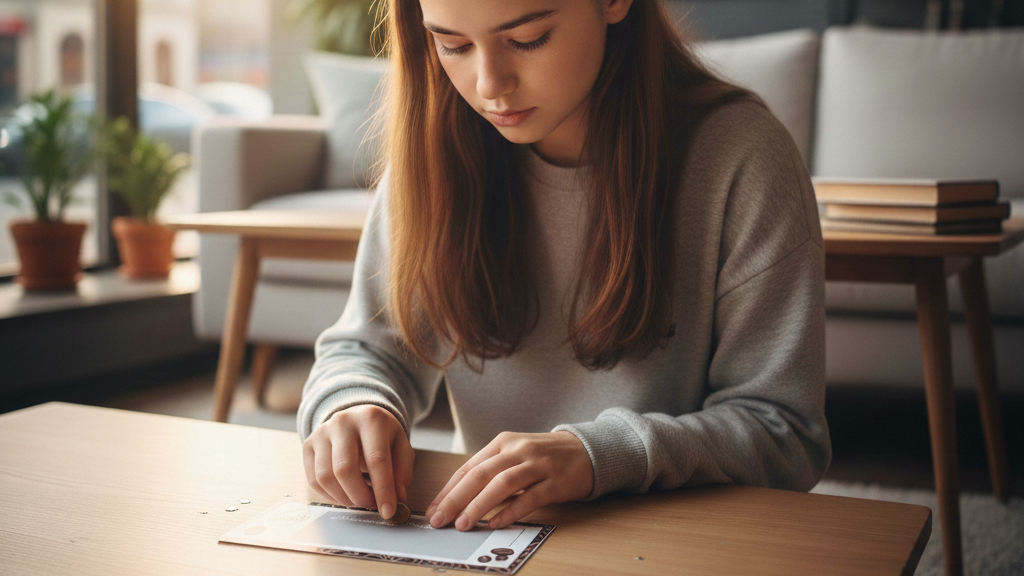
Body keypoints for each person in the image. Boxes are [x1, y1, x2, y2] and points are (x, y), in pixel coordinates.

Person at [298, 0, 831, 533]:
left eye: (527, 39)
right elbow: (367, 350)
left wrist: (602, 456)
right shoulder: (436, 150)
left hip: (675, 538)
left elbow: (784, 432)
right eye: (453, 45)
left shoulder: (743, 157)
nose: (489, 84)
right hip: (488, 539)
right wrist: (352, 404)